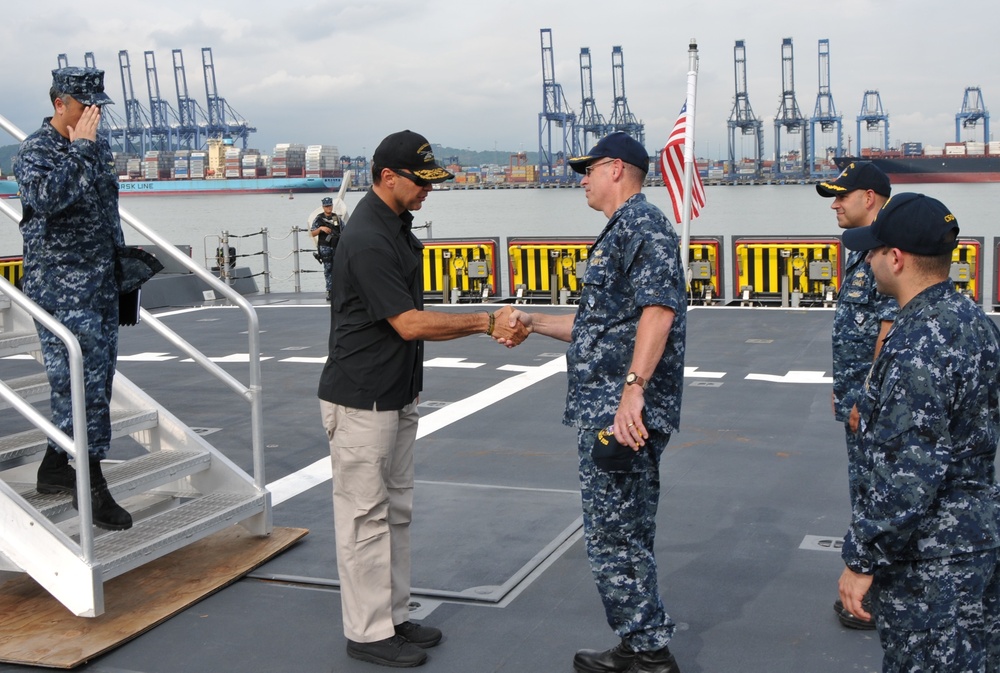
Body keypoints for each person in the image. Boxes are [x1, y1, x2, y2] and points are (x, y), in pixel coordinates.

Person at [317, 130, 528, 668]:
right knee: (365, 516)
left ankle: (391, 615)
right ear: (388, 177)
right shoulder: (366, 236)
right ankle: (367, 632)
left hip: (394, 393)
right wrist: (486, 321)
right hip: (362, 399)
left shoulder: (393, 226)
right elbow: (408, 323)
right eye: (420, 181)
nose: (428, 190)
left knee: (396, 512)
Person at [506, 132, 686, 673]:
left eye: (588, 169)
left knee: (613, 533)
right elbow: (599, 329)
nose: (581, 179)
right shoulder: (624, 230)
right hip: (610, 407)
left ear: (615, 169)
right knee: (626, 529)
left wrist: (632, 392)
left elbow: (659, 311)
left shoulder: (642, 227)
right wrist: (533, 322)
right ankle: (639, 640)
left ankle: (648, 651)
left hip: (620, 413)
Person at [837, 192, 1000, 672]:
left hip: (931, 562)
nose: (866, 260)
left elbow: (909, 474)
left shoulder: (916, 344)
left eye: (873, 250)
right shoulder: (972, 320)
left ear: (897, 258)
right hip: (977, 542)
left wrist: (861, 560)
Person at [13, 67, 132, 530]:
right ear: (60, 104)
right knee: (77, 384)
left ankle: (54, 465)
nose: (94, 115)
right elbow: (46, 199)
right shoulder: (35, 151)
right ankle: (91, 483)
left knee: (99, 381)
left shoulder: (96, 146)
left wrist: (122, 274)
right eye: (86, 106)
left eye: (98, 106)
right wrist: (79, 150)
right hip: (61, 289)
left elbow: (107, 212)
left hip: (99, 284)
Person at [816, 161, 896, 629]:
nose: (835, 203)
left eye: (842, 195)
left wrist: (866, 394)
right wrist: (842, 386)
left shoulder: (887, 246)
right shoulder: (860, 248)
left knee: (877, 490)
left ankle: (877, 593)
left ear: (870, 197)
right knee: (864, 488)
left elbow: (887, 329)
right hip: (856, 395)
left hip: (874, 402)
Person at [310, 195, 342, 300]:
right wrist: (321, 228)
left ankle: (338, 290)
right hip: (325, 248)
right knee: (328, 269)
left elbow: (344, 230)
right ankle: (329, 291)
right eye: (326, 206)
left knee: (338, 269)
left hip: (336, 247)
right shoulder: (319, 219)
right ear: (323, 207)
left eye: (330, 206)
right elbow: (312, 234)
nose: (328, 208)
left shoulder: (336, 217)